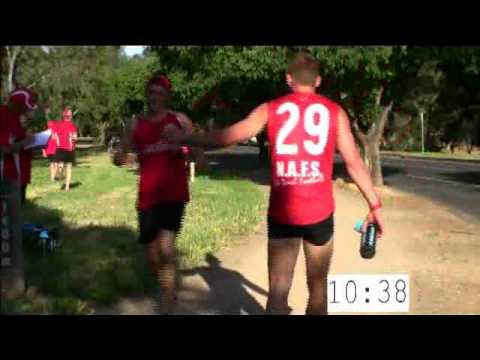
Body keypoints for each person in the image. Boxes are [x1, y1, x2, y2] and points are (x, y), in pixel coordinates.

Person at [163, 51, 385, 315]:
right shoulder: (335, 112)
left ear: (288, 79)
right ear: (318, 81)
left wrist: (185, 138)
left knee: (278, 291)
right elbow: (354, 163)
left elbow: (227, 136)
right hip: (319, 214)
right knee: (318, 290)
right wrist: (375, 205)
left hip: (283, 213)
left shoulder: (270, 109)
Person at [112, 73, 204, 314]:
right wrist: (121, 157)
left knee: (165, 248)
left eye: (159, 93)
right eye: (151, 93)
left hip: (174, 193)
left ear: (167, 96)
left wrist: (186, 146)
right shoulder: (136, 123)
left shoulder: (180, 120)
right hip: (148, 196)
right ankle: (168, 288)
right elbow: (119, 155)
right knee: (152, 256)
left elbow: (199, 155)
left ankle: (166, 301)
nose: (154, 97)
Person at [0, 87, 38, 205]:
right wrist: (25, 143)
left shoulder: (15, 118)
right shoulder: (3, 117)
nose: (26, 110)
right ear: (17, 105)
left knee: (15, 213)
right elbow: (4, 148)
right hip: (5, 175)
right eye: (25, 107)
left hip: (14, 173)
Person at [55, 108, 77, 191]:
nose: (71, 116)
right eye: (70, 115)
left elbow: (55, 136)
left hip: (60, 148)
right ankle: (67, 187)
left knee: (62, 163)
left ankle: (60, 171)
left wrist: (57, 143)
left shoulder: (58, 124)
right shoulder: (72, 125)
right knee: (69, 167)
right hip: (69, 148)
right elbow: (75, 138)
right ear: (67, 116)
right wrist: (71, 137)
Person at [42, 116, 59, 182]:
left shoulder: (49, 130)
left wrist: (43, 151)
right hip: (53, 149)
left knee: (53, 163)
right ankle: (53, 177)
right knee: (55, 163)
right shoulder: (51, 130)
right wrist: (43, 151)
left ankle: (53, 177)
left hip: (51, 149)